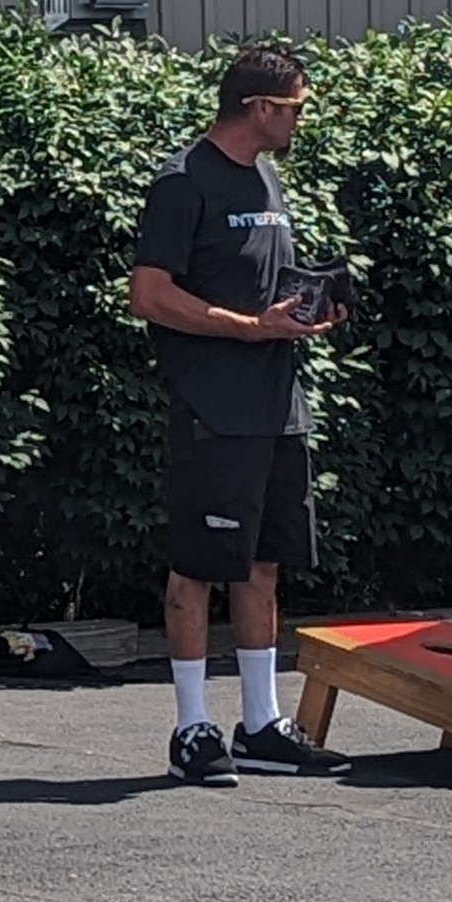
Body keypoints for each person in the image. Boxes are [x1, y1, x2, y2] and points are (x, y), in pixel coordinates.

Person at [125, 44, 350, 786]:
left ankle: (261, 724)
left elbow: (257, 287)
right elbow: (150, 294)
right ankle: (192, 727)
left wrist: (303, 311)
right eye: (292, 108)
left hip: (277, 407)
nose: (298, 120)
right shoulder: (182, 182)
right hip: (211, 409)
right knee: (197, 568)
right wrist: (250, 327)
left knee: (264, 563)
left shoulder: (266, 174)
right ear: (257, 107)